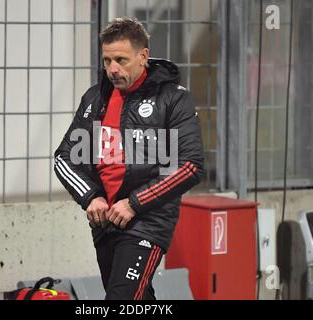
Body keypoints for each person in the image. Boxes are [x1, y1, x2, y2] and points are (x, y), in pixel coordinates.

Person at [54, 17, 204, 300]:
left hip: (147, 222)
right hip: (105, 223)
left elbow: (191, 165)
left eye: (121, 59)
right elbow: (64, 158)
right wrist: (90, 197)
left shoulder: (172, 99)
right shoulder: (94, 100)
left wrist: (135, 204)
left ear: (143, 56)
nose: (113, 69)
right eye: (107, 60)